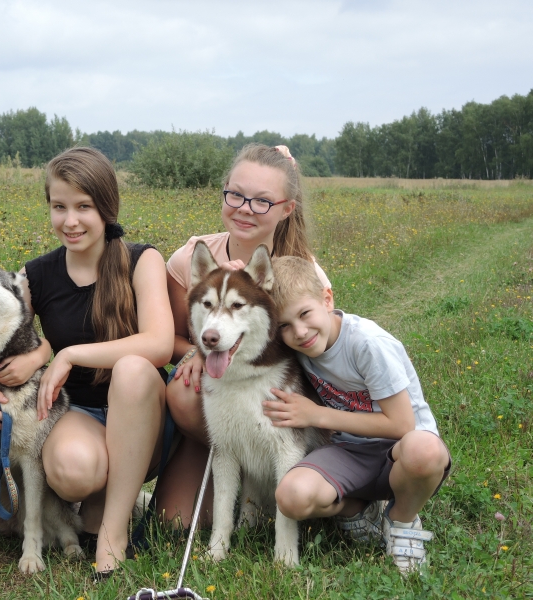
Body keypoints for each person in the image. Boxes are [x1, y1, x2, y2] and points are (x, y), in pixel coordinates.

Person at [0, 147, 173, 577]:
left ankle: (112, 533)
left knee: (131, 367)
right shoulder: (35, 275)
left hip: (146, 416)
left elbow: (160, 344)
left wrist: (68, 354)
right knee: (71, 470)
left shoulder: (141, 259)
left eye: (84, 207)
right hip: (80, 415)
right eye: (59, 207)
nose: (70, 221)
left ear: (106, 207)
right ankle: (95, 499)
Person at [158, 144, 331, 524]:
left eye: (262, 201)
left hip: (266, 406)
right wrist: (195, 353)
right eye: (236, 194)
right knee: (174, 521)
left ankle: (263, 482)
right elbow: (165, 337)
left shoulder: (305, 276)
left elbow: (320, 356)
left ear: (288, 208)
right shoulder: (191, 258)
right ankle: (236, 470)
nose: (245, 208)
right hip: (213, 416)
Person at [265, 255, 451, 575]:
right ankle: (359, 512)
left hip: (403, 451)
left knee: (426, 450)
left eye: (305, 314)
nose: (300, 331)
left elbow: (402, 425)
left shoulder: (367, 343)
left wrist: (316, 415)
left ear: (327, 299)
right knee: (292, 496)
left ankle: (402, 520)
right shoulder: (299, 346)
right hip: (350, 451)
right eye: (284, 325)